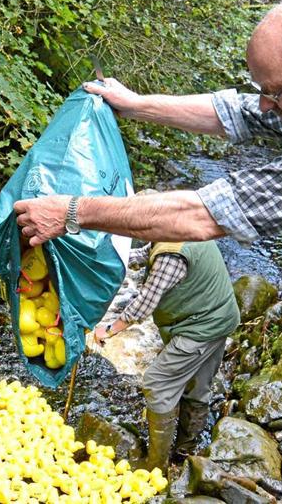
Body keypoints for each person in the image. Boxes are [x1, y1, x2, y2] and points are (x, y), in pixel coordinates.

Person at [14, 0, 282, 503]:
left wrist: (71, 211)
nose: (266, 105)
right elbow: (236, 113)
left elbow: (203, 215)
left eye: (275, 91)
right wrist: (135, 104)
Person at [94, 190, 240, 473]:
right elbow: (146, 254)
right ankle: (184, 453)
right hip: (220, 316)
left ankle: (156, 465)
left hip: (201, 327)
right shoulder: (180, 226)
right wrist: (112, 261)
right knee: (198, 387)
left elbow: (143, 304)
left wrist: (109, 329)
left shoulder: (172, 256)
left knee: (158, 383)